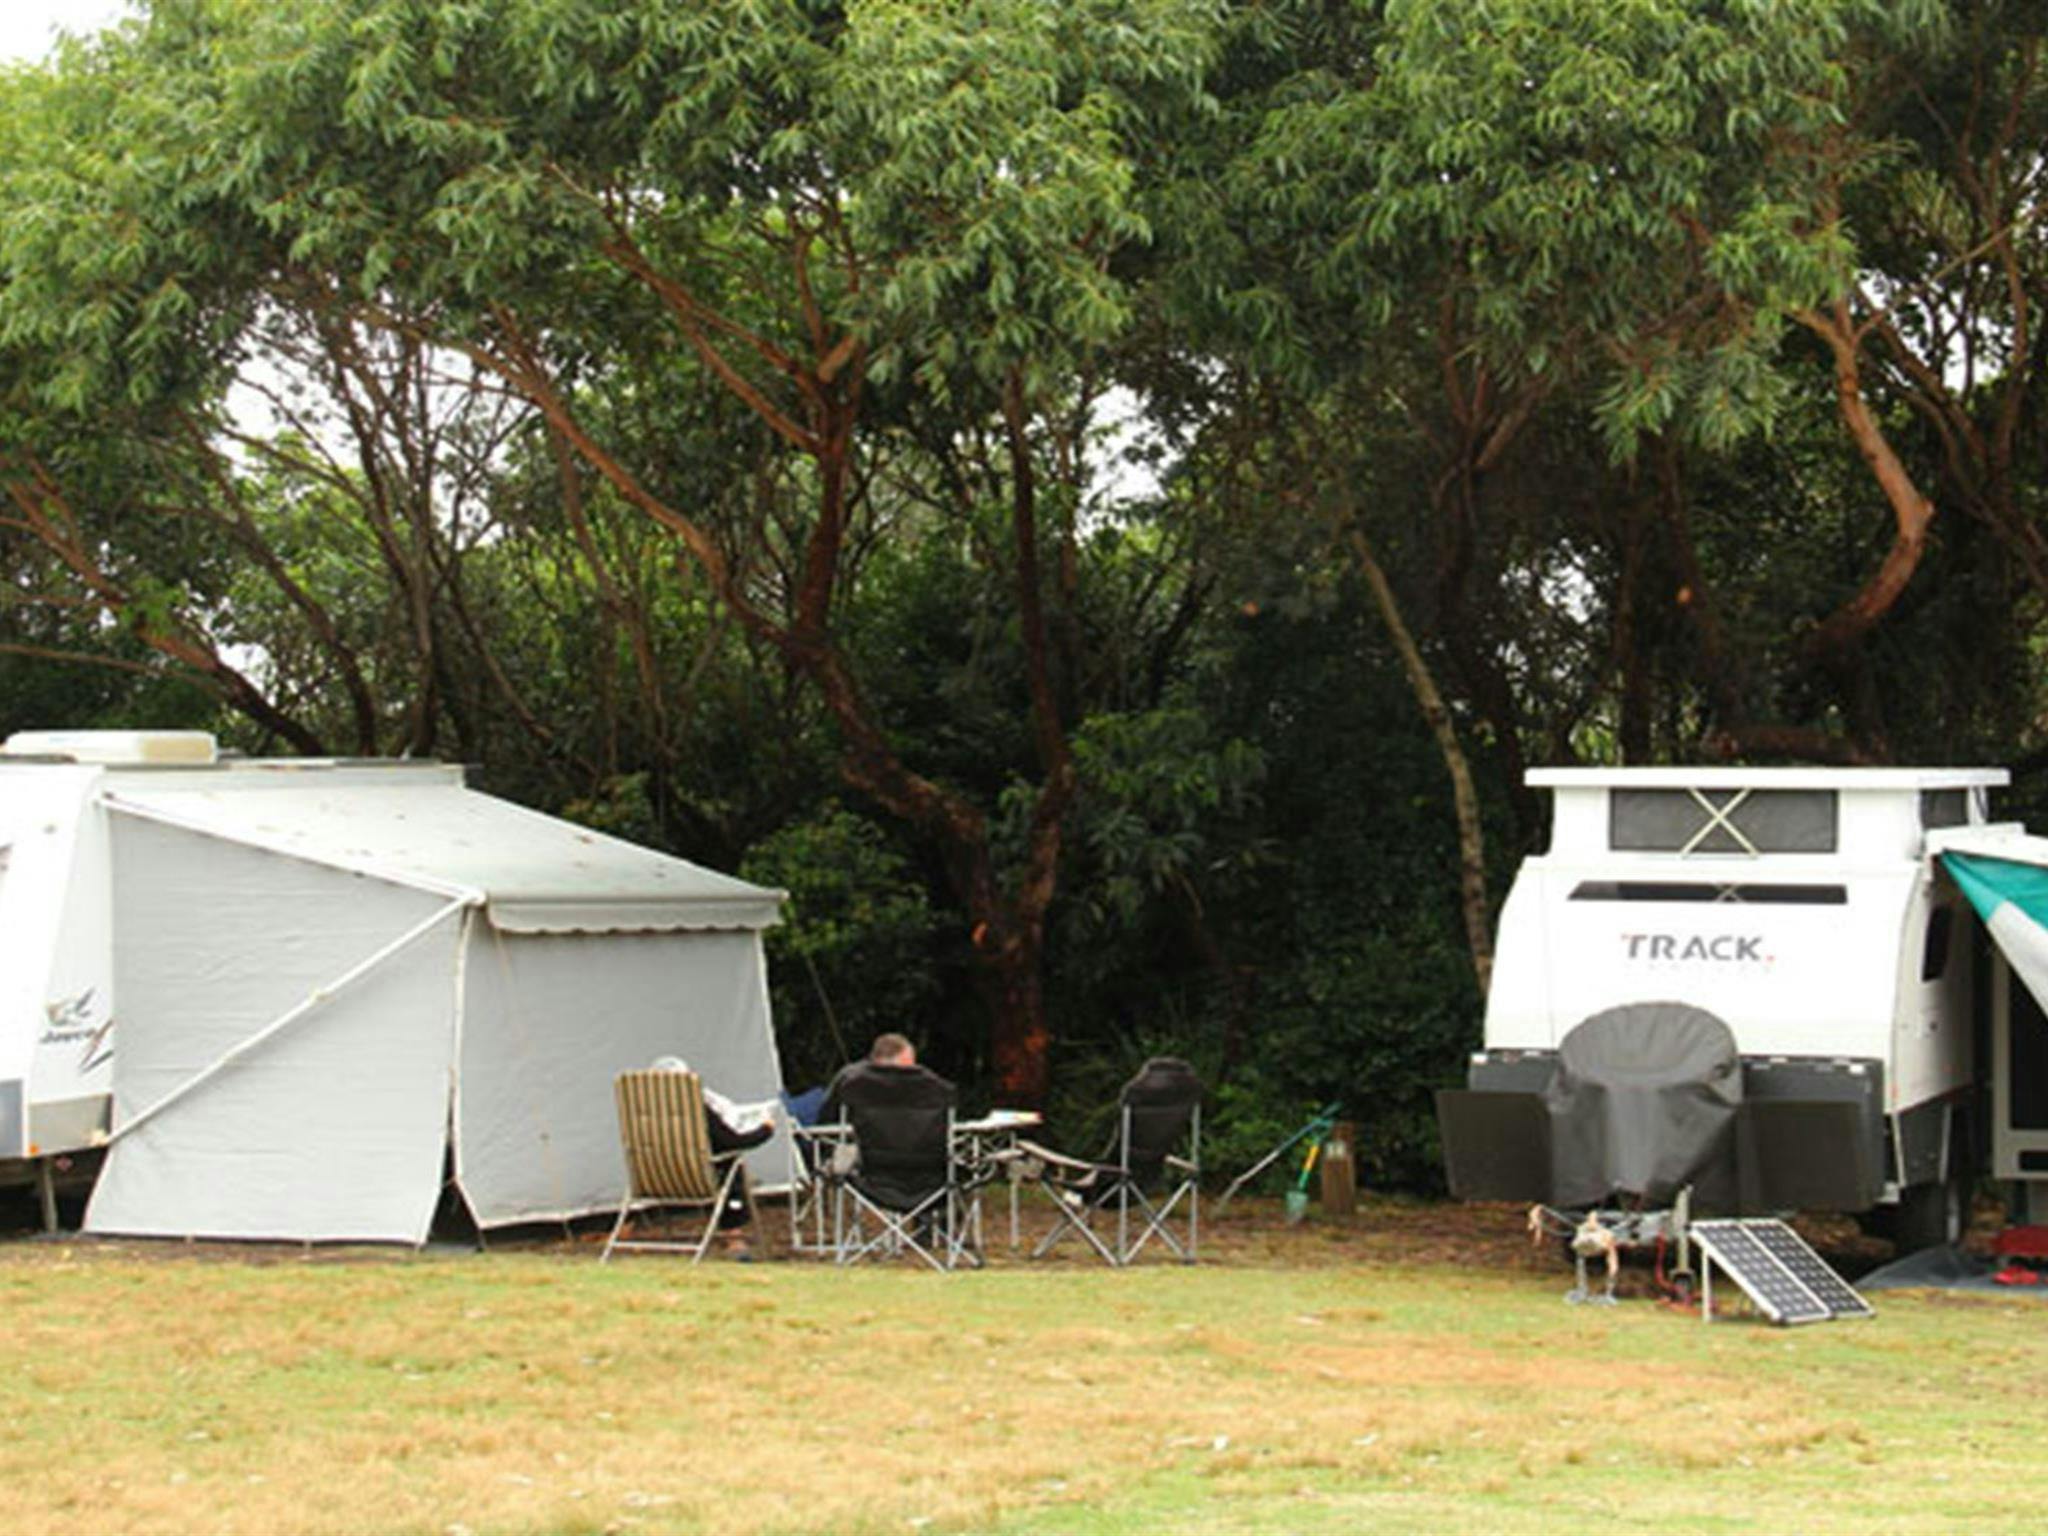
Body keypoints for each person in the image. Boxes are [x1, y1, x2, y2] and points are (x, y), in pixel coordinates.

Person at [650, 1056, 775, 1255]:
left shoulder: (646, 1113)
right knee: (730, 1164)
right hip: (697, 1179)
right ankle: (733, 1235)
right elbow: (730, 1140)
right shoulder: (695, 1108)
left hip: (657, 1177)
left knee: (722, 1163)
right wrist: (765, 1130)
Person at [818, 1032, 954, 1124]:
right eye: (907, 1066)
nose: (912, 1072)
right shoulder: (851, 1080)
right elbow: (829, 1118)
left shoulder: (849, 1076)